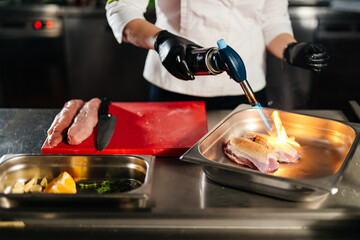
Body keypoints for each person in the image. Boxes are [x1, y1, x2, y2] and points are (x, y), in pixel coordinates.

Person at [105, 0, 329, 110]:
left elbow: (272, 20)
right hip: (175, 85)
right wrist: (161, 40)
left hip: (245, 88)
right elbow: (121, 7)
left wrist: (291, 49)